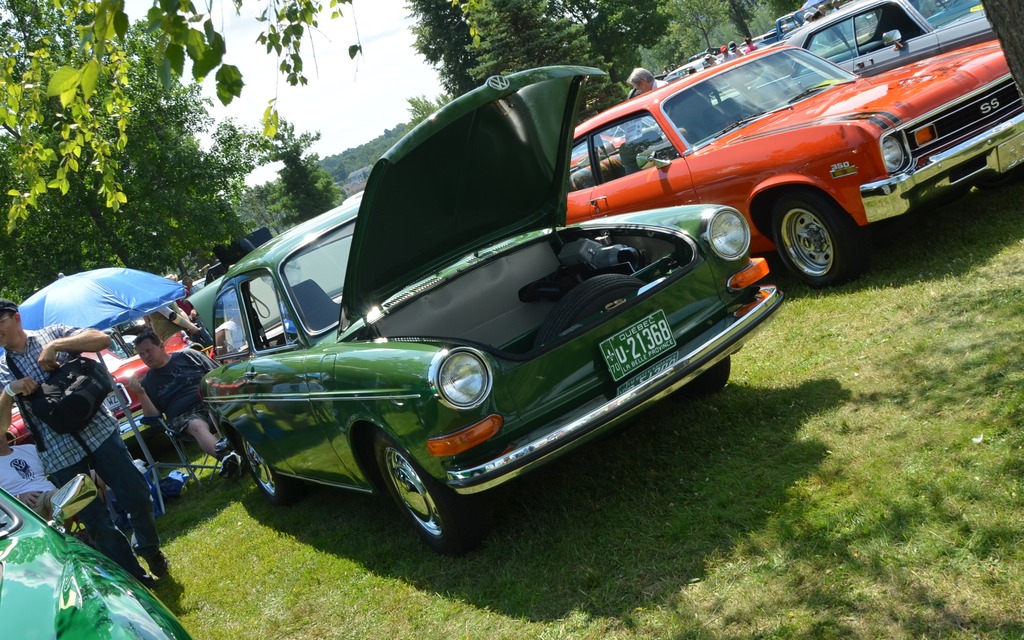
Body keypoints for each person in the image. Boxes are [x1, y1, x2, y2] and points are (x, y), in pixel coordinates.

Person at [0, 299, 167, 585]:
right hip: (58, 452)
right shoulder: (3, 370)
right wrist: (9, 391)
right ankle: (137, 578)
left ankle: (149, 549)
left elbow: (101, 338)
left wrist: (57, 347)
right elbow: (1, 427)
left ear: (15, 317)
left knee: (137, 495)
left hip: (99, 431)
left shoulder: (53, 334)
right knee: (96, 521)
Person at [127, 328, 242, 479]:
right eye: (142, 354)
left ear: (161, 346)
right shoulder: (148, 381)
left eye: (149, 350)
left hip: (210, 399)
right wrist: (141, 394)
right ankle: (228, 458)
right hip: (184, 416)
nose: (146, 357)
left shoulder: (189, 356)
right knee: (196, 425)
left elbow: (218, 373)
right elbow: (152, 418)